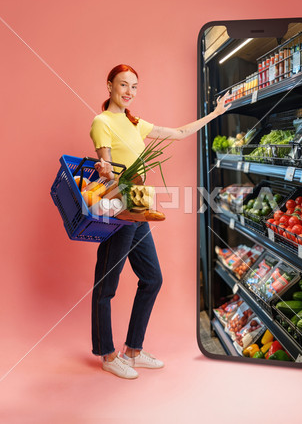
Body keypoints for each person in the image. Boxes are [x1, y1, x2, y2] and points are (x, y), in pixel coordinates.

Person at [89, 64, 230, 379]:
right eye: (123, 85)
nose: (129, 92)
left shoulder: (135, 123)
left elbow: (178, 133)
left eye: (135, 87)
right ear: (109, 85)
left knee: (152, 279)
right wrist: (106, 171)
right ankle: (107, 355)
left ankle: (133, 351)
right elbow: (109, 168)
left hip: (138, 206)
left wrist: (215, 114)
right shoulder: (102, 122)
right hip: (118, 208)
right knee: (106, 286)